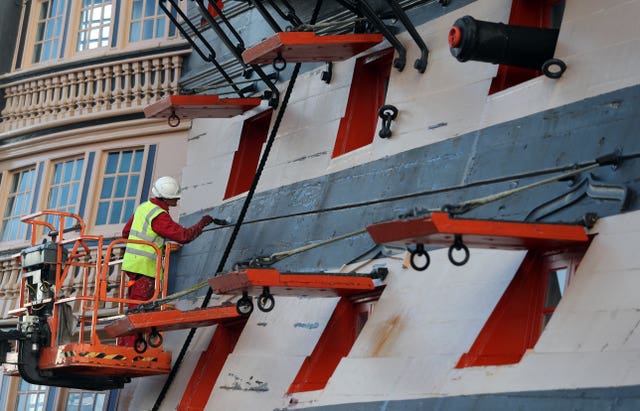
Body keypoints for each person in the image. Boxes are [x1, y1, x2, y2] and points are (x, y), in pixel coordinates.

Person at [118, 176, 217, 347]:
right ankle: (130, 350)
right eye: (175, 197)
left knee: (134, 308)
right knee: (140, 311)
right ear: (166, 197)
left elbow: (127, 232)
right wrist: (202, 223)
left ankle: (127, 347)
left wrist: (156, 245)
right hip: (146, 268)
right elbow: (183, 236)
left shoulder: (144, 208)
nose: (177, 199)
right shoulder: (158, 215)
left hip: (133, 266)